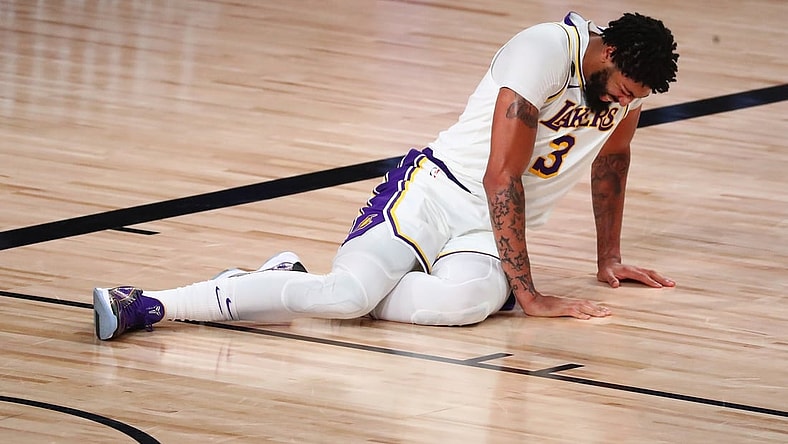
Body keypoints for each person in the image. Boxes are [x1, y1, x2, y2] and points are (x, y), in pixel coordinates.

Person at [94, 11, 679, 341]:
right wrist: (529, 294)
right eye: (625, 92)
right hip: (434, 195)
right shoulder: (543, 51)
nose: (624, 106)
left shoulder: (624, 95)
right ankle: (148, 303)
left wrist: (609, 258)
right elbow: (501, 176)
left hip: (488, 232)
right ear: (607, 57)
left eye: (635, 101)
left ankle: (282, 284)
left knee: (463, 306)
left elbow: (612, 163)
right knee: (349, 296)